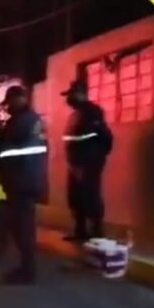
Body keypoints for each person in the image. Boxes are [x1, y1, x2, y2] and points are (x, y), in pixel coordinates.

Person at [0, 86, 48, 284]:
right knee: (23, 226)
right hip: (27, 180)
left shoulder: (20, 122)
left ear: (19, 99)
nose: (8, 107)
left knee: (23, 227)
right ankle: (26, 268)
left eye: (10, 102)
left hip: (20, 181)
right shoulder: (32, 120)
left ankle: (27, 272)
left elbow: (3, 151)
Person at [61, 80, 113, 241]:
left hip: (88, 163)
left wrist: (93, 160)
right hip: (75, 163)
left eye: (71, 94)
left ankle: (96, 231)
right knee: (76, 197)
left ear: (81, 94)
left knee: (90, 195)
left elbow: (106, 139)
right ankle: (80, 231)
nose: (69, 98)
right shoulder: (76, 114)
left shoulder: (92, 112)